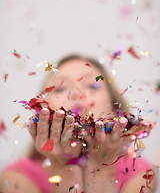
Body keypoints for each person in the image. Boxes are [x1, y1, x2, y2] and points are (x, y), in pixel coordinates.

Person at [0, 54, 157, 193]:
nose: (76, 93)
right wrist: (62, 167)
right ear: (43, 109)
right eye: (61, 88)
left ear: (116, 107)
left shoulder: (141, 173)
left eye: (92, 85)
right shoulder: (17, 178)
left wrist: (101, 167)